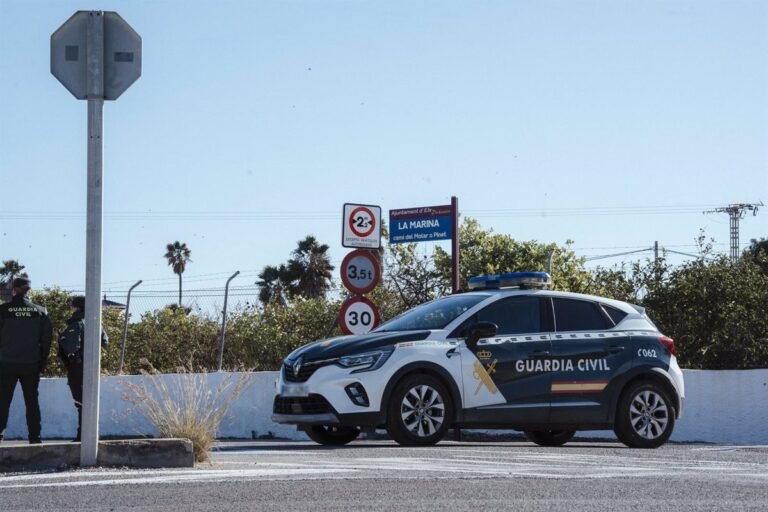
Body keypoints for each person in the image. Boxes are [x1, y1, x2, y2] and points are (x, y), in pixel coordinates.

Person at [0, 277, 53, 444]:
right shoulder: (40, 311)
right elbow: (47, 339)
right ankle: (35, 438)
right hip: (31, 363)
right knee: (32, 401)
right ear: (29, 290)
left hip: (5, 363)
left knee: (2, 402)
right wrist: (42, 361)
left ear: (13, 290)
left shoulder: (3, 310)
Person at [58, 295, 108, 442]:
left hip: (78, 368)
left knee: (81, 402)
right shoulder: (96, 322)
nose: (70, 308)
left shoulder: (77, 324)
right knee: (89, 401)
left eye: (72, 305)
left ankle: (82, 436)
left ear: (77, 307)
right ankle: (89, 434)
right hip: (92, 366)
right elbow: (105, 342)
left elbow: (71, 348)